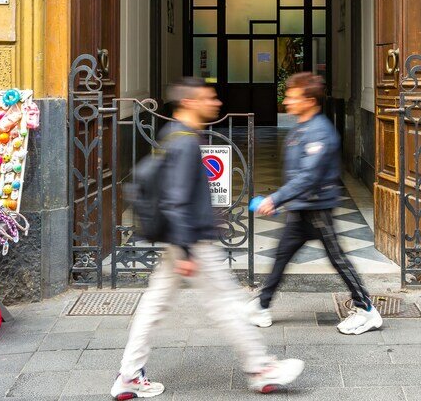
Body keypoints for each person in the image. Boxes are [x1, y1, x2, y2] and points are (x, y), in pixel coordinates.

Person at [111, 77, 305, 399]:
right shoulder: (186, 142)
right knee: (226, 303)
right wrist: (187, 250)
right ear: (190, 102)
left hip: (182, 239)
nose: (216, 102)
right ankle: (261, 369)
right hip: (191, 240)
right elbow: (176, 199)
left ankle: (130, 374)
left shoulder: (172, 133)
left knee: (155, 304)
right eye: (208, 98)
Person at [247, 72, 382, 336]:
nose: (286, 101)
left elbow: (309, 176)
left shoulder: (319, 132)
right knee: (282, 256)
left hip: (317, 209)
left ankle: (367, 310)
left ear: (309, 101)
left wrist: (275, 198)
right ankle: (262, 305)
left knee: (337, 259)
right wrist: (286, 201)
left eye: (292, 97)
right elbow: (297, 174)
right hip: (302, 208)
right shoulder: (301, 126)